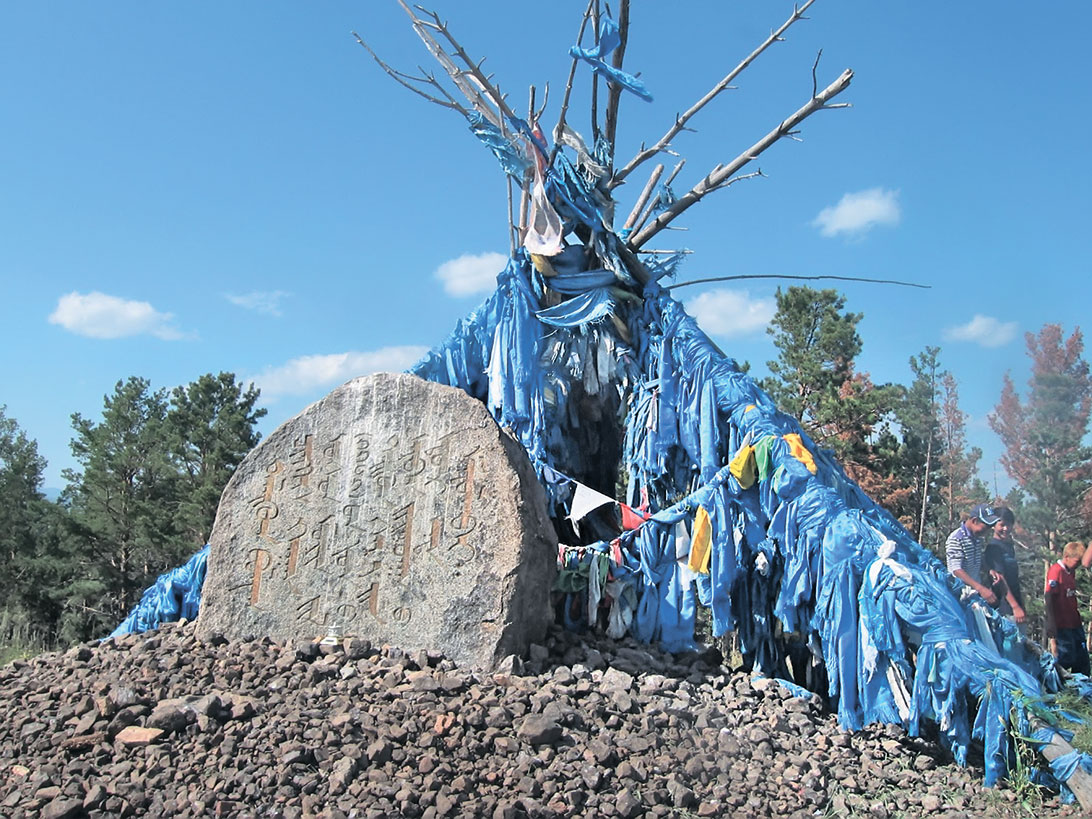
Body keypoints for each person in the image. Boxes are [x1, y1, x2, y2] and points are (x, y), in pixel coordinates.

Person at [1045, 541, 1092, 675]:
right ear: (1067, 557)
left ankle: (1082, 689)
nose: (1077, 566)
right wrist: (1051, 623)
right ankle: (1059, 687)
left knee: (1082, 659)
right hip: (1062, 624)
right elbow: (1049, 598)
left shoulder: (1070, 572)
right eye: (1076, 562)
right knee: (1066, 657)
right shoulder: (1056, 571)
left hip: (1074, 623)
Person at [945, 503, 1002, 605]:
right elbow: (956, 570)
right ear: (974, 521)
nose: (987, 531)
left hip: (974, 593)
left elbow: (977, 558)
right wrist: (980, 588)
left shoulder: (977, 538)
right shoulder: (956, 538)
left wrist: (989, 570)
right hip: (960, 594)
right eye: (985, 527)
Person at [982, 507, 1026, 625]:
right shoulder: (993, 548)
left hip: (1016, 604)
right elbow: (1000, 579)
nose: (1006, 528)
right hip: (1005, 608)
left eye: (1009, 525)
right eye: (1002, 525)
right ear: (993, 525)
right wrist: (1015, 606)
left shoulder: (1008, 547)